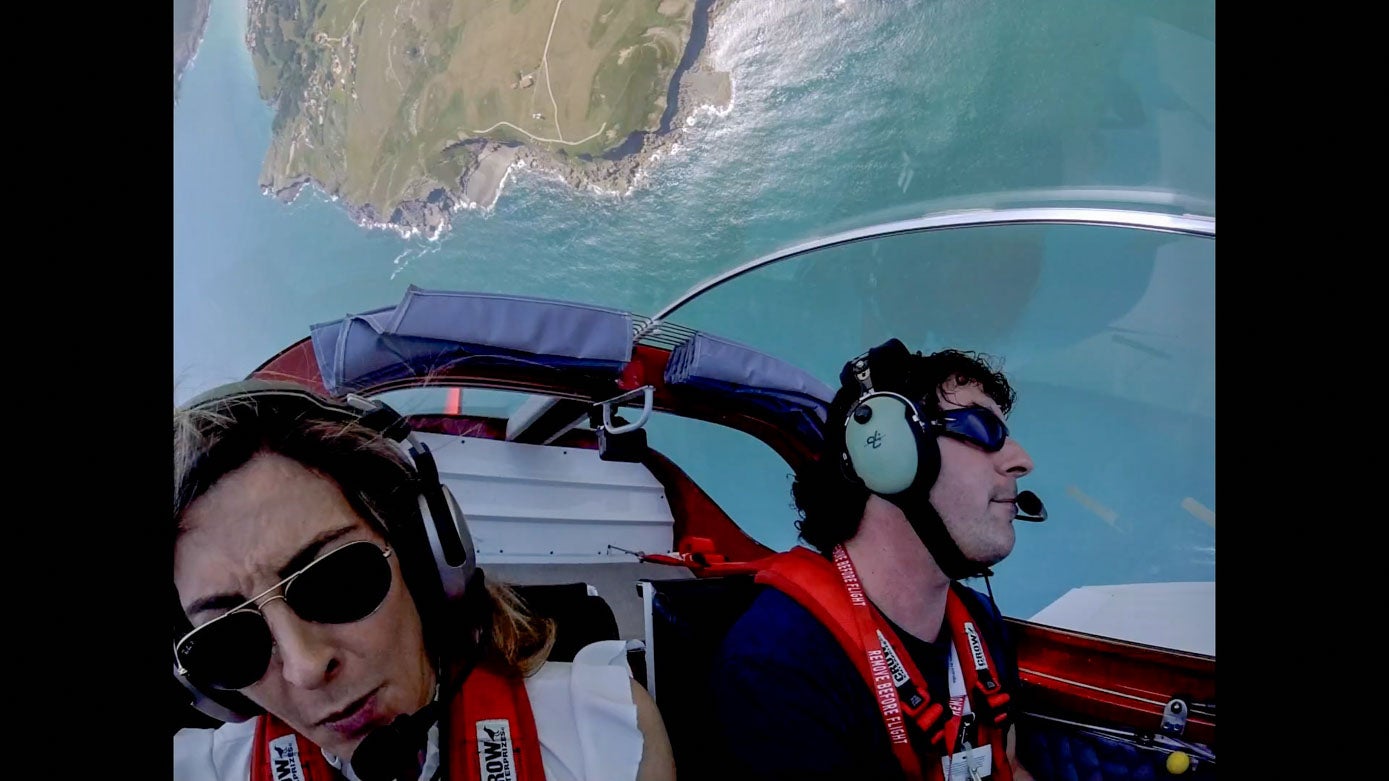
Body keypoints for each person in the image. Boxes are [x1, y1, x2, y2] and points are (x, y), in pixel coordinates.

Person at [172, 380, 676, 781]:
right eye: (228, 641)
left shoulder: (604, 732)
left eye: (337, 581)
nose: (304, 667)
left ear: (423, 558)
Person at [711, 338, 1040, 781]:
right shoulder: (780, 660)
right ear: (888, 454)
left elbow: (1009, 765)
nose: (1021, 461)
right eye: (983, 429)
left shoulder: (979, 621)